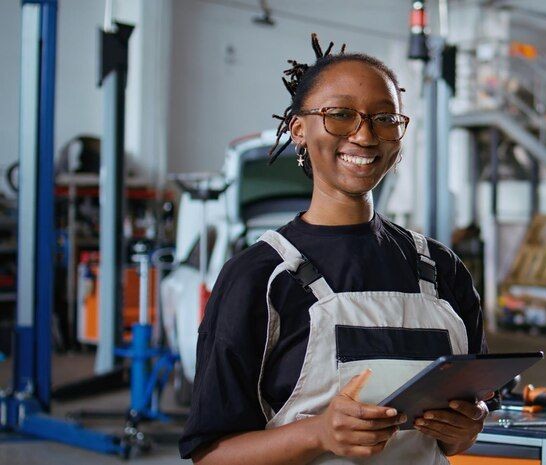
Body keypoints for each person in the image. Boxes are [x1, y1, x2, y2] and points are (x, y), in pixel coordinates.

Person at [178, 34, 489, 465]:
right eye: (340, 115)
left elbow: (462, 424)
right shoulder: (259, 277)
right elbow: (210, 454)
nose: (364, 136)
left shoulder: (440, 268)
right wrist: (318, 433)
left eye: (385, 118)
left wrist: (466, 428)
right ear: (298, 130)